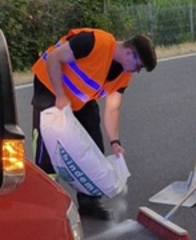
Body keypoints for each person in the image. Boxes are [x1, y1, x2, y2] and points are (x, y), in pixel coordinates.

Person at [30, 28, 157, 220]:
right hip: (49, 85)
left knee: (93, 141)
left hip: (80, 98)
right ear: (130, 52)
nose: (136, 71)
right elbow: (54, 58)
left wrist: (115, 142)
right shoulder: (94, 42)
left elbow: (112, 108)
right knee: (47, 147)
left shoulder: (124, 75)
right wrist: (60, 96)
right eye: (138, 66)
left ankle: (89, 202)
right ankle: (47, 204)